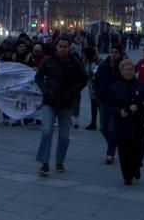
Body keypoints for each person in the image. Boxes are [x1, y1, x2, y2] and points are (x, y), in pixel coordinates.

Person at [34, 38, 87, 175]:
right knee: (47, 131)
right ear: (56, 47)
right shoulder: (48, 60)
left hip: (66, 103)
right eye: (60, 46)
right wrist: (45, 90)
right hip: (49, 101)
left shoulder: (74, 62)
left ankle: (59, 161)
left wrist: (73, 92)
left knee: (64, 136)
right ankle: (44, 163)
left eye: (65, 46)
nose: (63, 49)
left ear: (69, 48)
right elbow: (38, 77)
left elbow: (83, 78)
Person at [110, 58, 144, 185]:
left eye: (131, 69)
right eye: (126, 70)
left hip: (140, 124)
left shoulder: (143, 86)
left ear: (134, 70)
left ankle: (136, 166)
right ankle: (127, 176)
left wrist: (140, 106)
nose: (129, 72)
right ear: (121, 72)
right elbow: (111, 105)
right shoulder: (115, 88)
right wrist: (119, 112)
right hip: (123, 125)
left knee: (139, 150)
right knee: (124, 152)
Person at [94, 45, 125, 164]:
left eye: (116, 52)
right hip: (103, 101)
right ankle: (113, 144)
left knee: (112, 129)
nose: (113, 54)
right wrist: (97, 95)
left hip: (116, 103)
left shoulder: (122, 67)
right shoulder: (103, 66)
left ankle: (110, 152)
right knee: (103, 128)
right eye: (112, 52)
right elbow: (96, 81)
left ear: (120, 54)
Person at [82, 46, 99, 130]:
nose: (83, 55)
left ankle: (98, 123)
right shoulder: (88, 61)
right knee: (93, 106)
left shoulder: (95, 62)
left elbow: (94, 74)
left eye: (84, 54)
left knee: (98, 106)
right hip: (92, 88)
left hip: (97, 88)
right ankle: (93, 122)